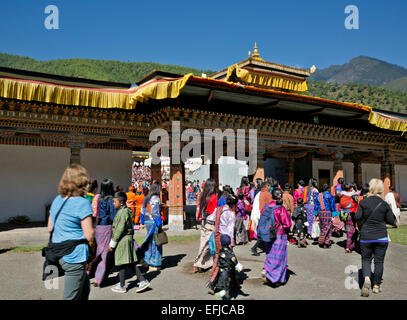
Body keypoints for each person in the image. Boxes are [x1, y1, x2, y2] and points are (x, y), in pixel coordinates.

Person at [48, 164, 94, 300]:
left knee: (85, 288)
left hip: (58, 252)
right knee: (71, 297)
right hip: (74, 256)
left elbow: (49, 227)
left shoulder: (57, 199)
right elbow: (89, 234)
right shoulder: (82, 203)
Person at [355, 178, 397, 297]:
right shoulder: (384, 204)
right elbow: (390, 221)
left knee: (366, 259)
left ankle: (367, 278)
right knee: (379, 261)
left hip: (366, 236)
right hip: (381, 236)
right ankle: (376, 286)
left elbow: (357, 217)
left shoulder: (363, 202)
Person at [108, 191, 150, 293]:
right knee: (127, 262)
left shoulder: (122, 213)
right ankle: (136, 282)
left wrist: (112, 243)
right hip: (125, 240)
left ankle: (125, 285)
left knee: (123, 262)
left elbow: (119, 229)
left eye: (115, 202)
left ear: (121, 203)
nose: (113, 204)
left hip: (123, 240)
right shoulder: (125, 211)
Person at [87, 178, 116, 287]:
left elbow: (97, 214)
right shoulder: (111, 200)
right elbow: (113, 217)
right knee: (105, 255)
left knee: (98, 253)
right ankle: (99, 279)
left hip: (99, 227)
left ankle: (91, 272)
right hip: (107, 227)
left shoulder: (99, 198)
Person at [207, 194, 238, 294]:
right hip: (225, 239)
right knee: (224, 260)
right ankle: (213, 282)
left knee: (218, 257)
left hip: (217, 236)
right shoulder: (231, 214)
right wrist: (231, 243)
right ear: (234, 205)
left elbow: (209, 219)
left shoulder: (218, 209)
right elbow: (230, 229)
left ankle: (232, 282)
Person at [261, 188, 292, 286]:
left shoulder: (266, 207)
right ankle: (275, 278)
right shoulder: (280, 208)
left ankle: (267, 271)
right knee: (279, 257)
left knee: (270, 255)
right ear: (280, 196)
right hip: (279, 235)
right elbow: (287, 223)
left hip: (267, 235)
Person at [194, 178, 219, 273]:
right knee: (208, 245)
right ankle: (199, 263)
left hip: (203, 222)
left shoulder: (202, 196)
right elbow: (215, 212)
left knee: (203, 243)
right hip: (210, 223)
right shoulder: (214, 197)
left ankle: (204, 263)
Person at [138, 182, 163, 272]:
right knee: (156, 243)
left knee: (149, 242)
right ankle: (154, 264)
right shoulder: (156, 198)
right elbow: (156, 213)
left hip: (148, 222)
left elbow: (142, 211)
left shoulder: (146, 198)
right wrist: (159, 224)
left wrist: (142, 221)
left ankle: (146, 260)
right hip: (154, 222)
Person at [213, 234, 241, 300]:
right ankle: (219, 295)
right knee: (226, 287)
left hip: (221, 271)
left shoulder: (221, 251)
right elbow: (234, 261)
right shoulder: (230, 252)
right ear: (229, 242)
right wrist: (240, 268)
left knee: (226, 286)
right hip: (227, 272)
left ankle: (227, 298)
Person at [250, 181, 273, 256]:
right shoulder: (267, 194)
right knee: (265, 233)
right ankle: (255, 247)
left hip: (258, 215)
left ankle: (263, 247)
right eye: (270, 186)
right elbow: (269, 205)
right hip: (264, 215)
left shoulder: (259, 193)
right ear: (267, 186)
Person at [313, 183, 338, 249]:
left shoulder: (319, 195)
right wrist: (333, 215)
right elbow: (333, 206)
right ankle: (323, 241)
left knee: (323, 227)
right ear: (328, 189)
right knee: (328, 227)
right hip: (327, 212)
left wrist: (315, 214)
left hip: (320, 212)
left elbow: (316, 205)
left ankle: (324, 241)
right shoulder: (330, 196)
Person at [340, 184, 358, 253]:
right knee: (352, 231)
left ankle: (349, 246)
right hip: (352, 215)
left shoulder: (342, 196)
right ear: (350, 189)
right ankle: (349, 246)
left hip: (345, 215)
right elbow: (355, 205)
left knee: (348, 231)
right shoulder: (352, 196)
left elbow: (340, 206)